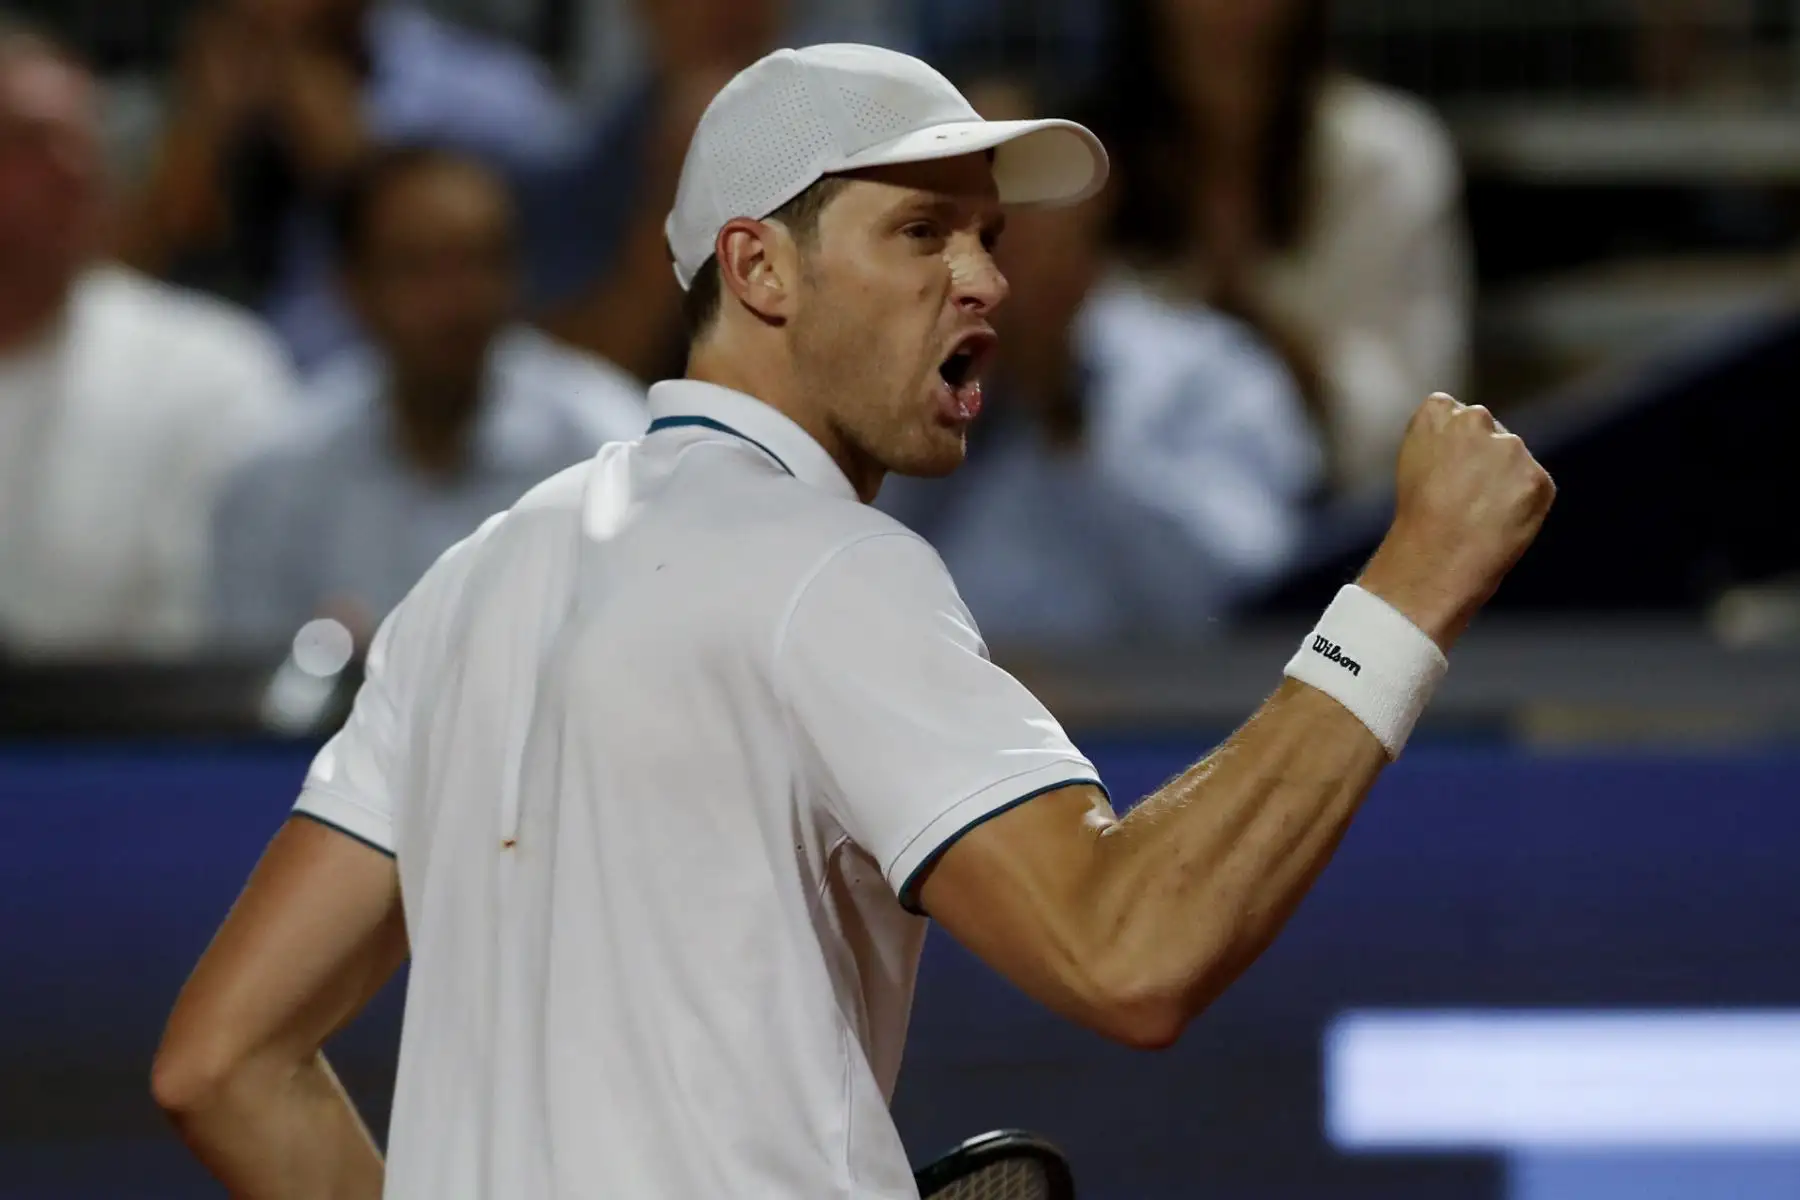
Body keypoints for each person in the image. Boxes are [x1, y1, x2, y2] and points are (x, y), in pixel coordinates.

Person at [152, 44, 1553, 1198]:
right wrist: (1408, 589)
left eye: (991, 237)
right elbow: (1129, 951)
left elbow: (223, 1065)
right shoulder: (825, 569)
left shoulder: (469, 582)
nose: (989, 279)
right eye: (922, 231)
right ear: (761, 270)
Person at [880, 77, 1323, 646]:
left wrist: (1066, 412)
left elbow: (1237, 594)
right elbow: (842, 576)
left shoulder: (1210, 371)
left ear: (1088, 202)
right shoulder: (876, 376)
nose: (988, 248)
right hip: (931, 702)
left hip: (1153, 718)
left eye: (1012, 211)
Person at [210, 146, 646, 651]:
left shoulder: (610, 450)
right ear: (352, 287)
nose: (455, 301)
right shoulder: (279, 476)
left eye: (481, 262)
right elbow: (246, 704)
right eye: (417, 267)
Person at [0, 23, 293, 660]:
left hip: (135, 750)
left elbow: (223, 632)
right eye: (29, 144)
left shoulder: (213, 368)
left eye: (85, 141)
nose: (74, 169)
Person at [1099, 0, 1473, 492]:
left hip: (1347, 529)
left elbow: (1427, 422)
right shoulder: (1082, 164)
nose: (1224, 13)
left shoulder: (1389, 156)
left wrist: (1276, 350)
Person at [112, 0, 574, 371]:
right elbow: (120, 290)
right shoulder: (206, 85)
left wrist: (355, 169)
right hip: (248, 407)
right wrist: (206, 131)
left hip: (421, 408)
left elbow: (547, 303)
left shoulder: (489, 96)